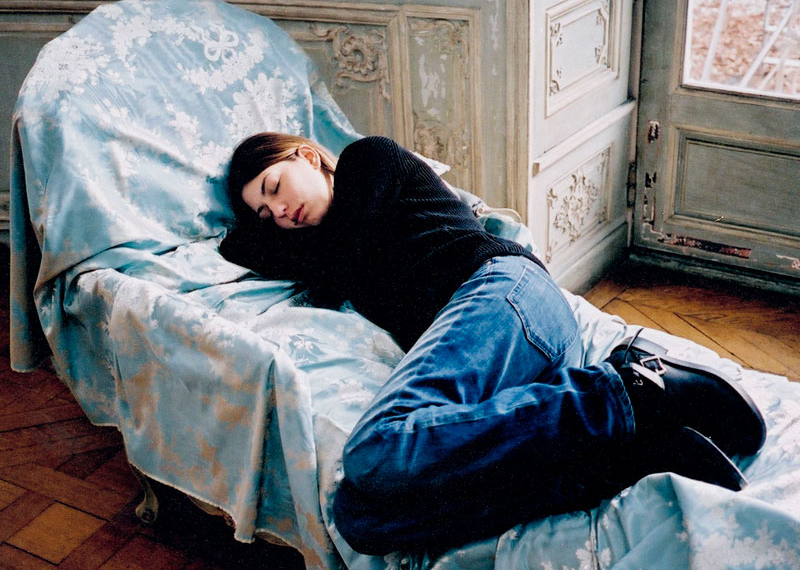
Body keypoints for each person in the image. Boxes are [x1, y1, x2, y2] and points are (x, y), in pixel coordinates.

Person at [220, 133, 766, 555]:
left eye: (274, 188)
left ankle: (628, 391)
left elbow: (333, 257)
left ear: (306, 155)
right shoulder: (321, 245)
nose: (279, 213)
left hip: (505, 292)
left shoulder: (368, 160)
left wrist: (277, 236)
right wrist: (262, 222)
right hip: (513, 361)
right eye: (265, 214)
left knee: (374, 449)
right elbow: (242, 246)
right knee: (361, 518)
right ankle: (632, 457)